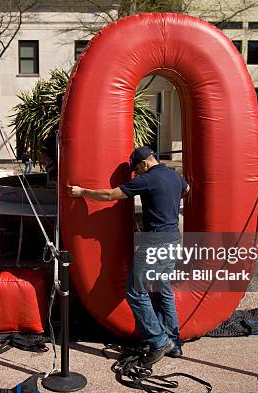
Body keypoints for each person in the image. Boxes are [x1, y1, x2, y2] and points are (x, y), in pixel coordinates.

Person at [68, 146, 190, 367]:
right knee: (163, 291)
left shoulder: (148, 179)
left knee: (135, 292)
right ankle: (174, 343)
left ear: (144, 163)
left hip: (154, 242)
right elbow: (186, 190)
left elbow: (109, 195)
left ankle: (159, 340)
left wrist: (81, 192)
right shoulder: (174, 175)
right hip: (174, 240)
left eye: (137, 169)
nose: (137, 173)